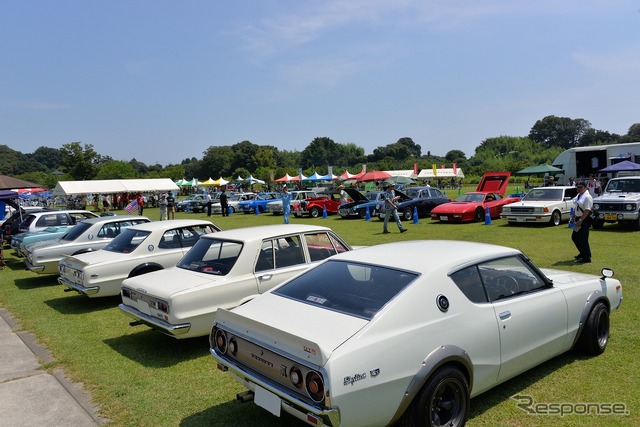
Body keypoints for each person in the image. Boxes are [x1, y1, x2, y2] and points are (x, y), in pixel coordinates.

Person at [570, 181, 593, 264]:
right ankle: (582, 253)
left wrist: (580, 220)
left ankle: (587, 257)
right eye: (577, 187)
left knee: (583, 239)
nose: (578, 189)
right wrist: (573, 218)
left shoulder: (587, 197)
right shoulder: (578, 196)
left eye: (580, 187)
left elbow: (587, 210)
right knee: (575, 237)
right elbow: (577, 209)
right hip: (578, 219)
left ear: (585, 188)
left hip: (584, 219)